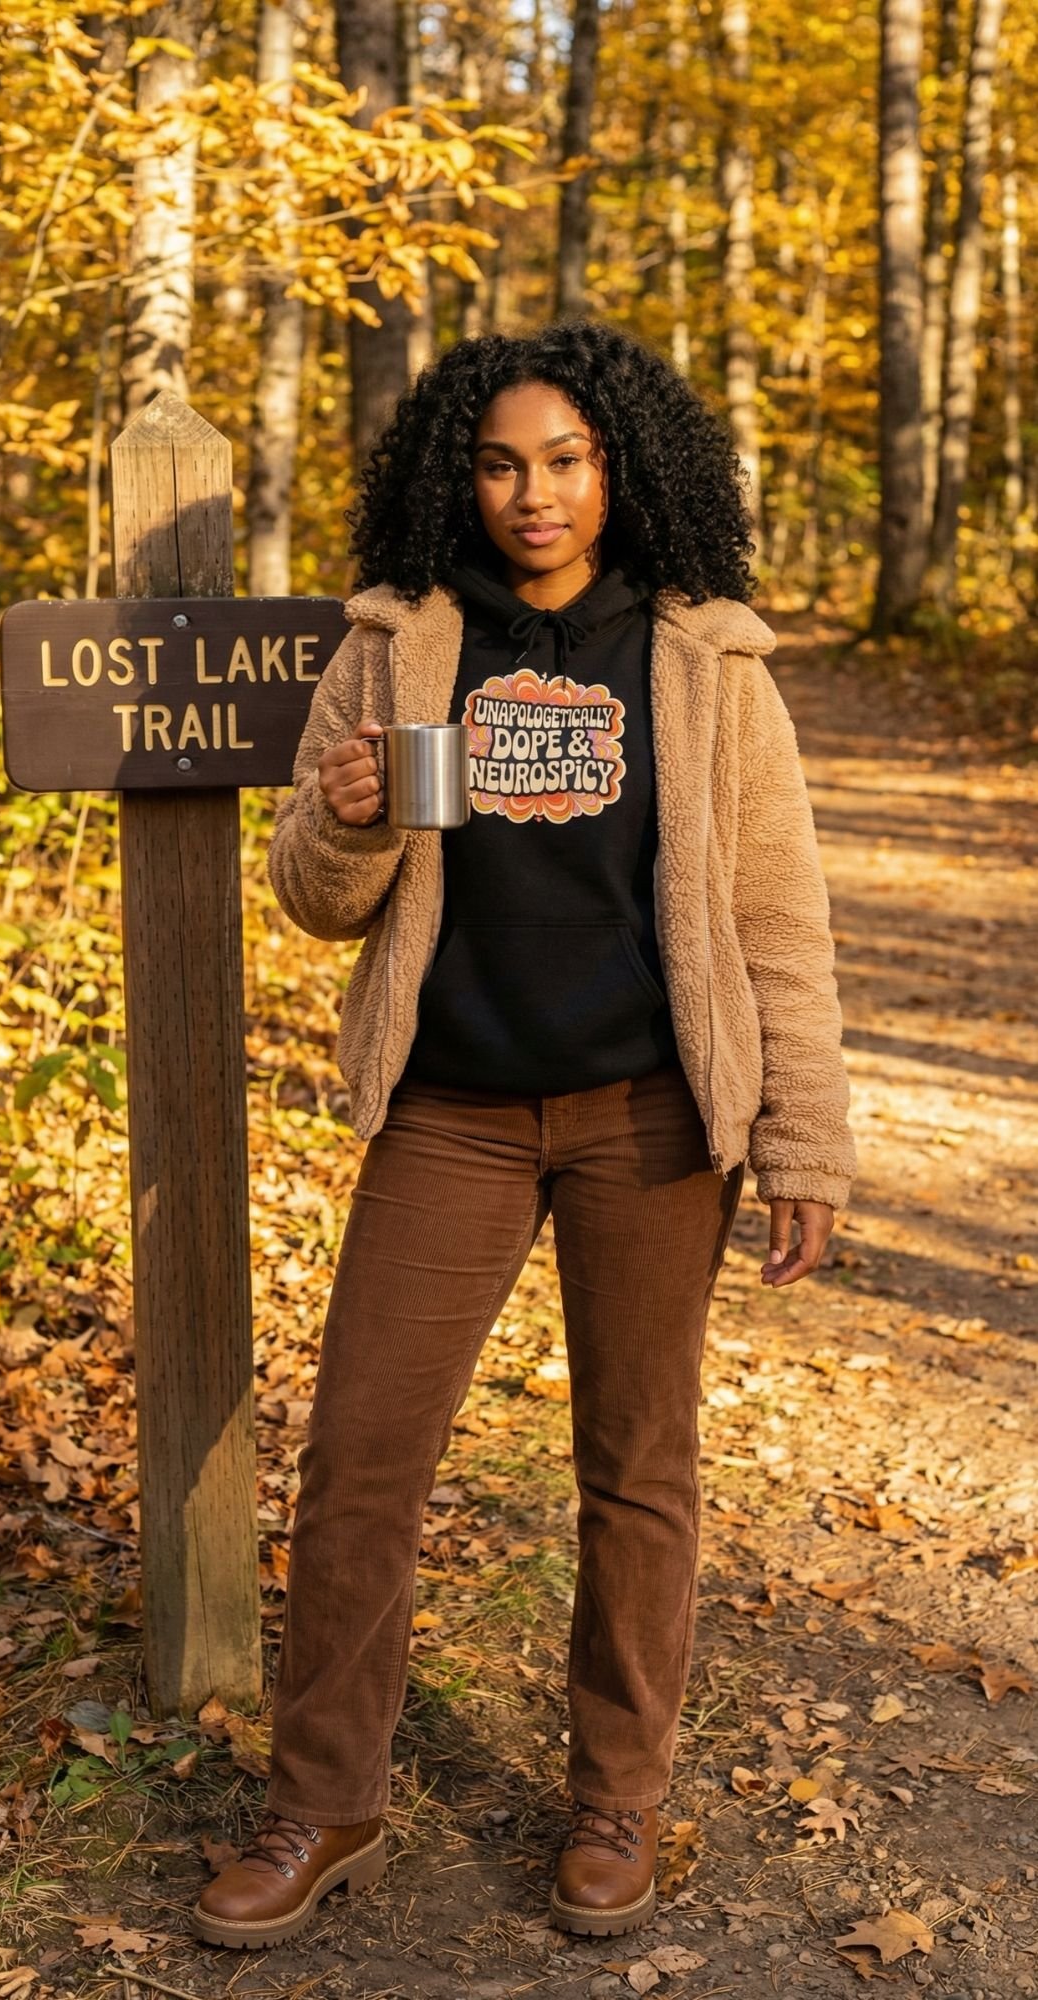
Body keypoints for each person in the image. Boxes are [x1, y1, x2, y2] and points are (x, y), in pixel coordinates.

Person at [192, 319, 856, 1951]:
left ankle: (615, 1800)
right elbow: (315, 897)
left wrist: (804, 1141)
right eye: (499, 465)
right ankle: (325, 1801)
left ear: (619, 469)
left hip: (649, 1117)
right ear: (458, 477)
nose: (532, 493)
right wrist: (346, 821)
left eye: (564, 460)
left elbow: (777, 919)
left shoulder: (701, 657)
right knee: (361, 1456)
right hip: (453, 1112)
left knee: (636, 1468)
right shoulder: (399, 642)